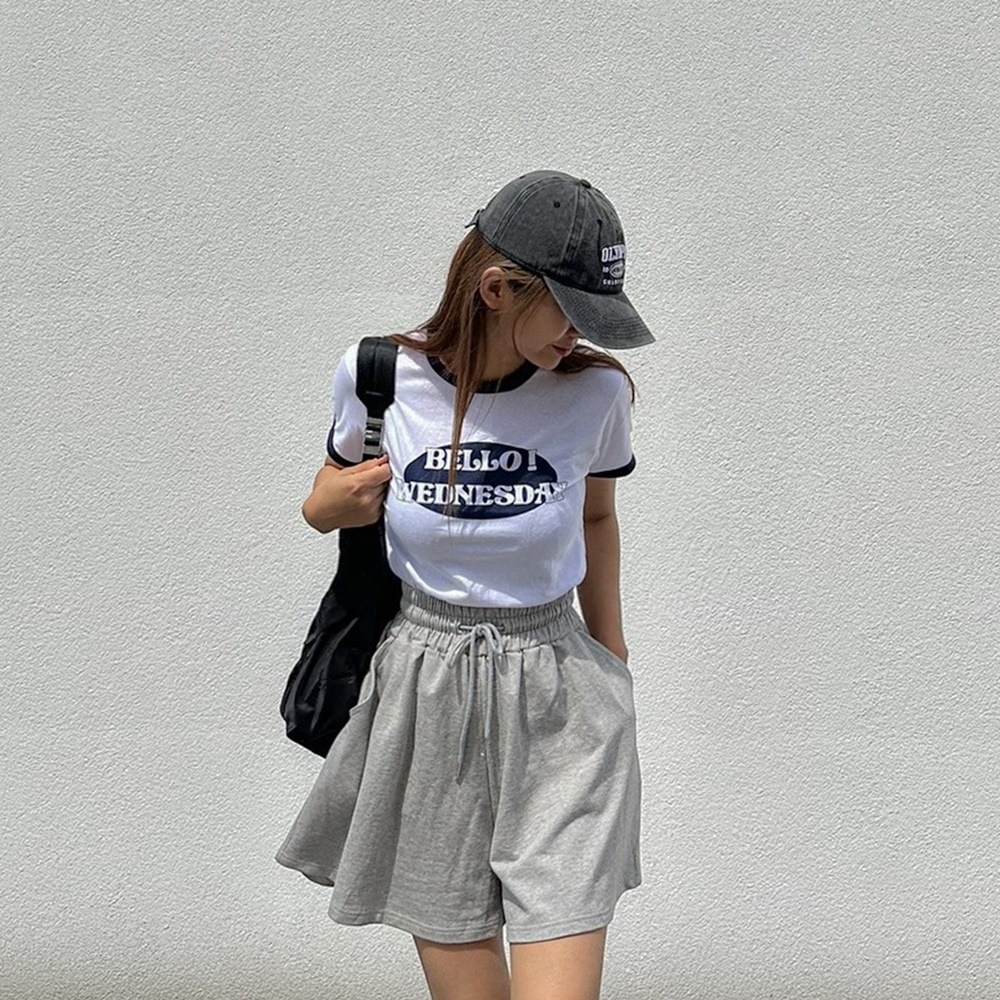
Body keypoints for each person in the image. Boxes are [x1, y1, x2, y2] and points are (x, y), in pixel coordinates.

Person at [276, 169, 655, 1000]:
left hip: (561, 697)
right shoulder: (378, 375)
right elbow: (327, 495)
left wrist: (614, 660)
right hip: (428, 687)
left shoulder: (595, 393)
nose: (581, 338)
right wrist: (322, 509)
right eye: (571, 313)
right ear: (496, 289)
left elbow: (597, 518)